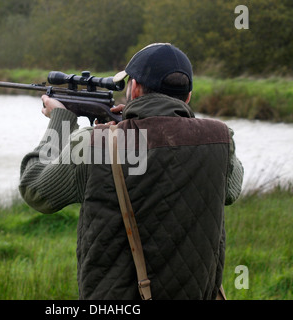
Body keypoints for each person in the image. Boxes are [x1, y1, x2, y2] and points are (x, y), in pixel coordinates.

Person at [19, 43, 244, 300]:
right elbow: (232, 190)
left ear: (134, 88)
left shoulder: (96, 143)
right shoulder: (219, 139)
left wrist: (60, 121)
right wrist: (126, 125)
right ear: (188, 96)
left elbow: (35, 190)